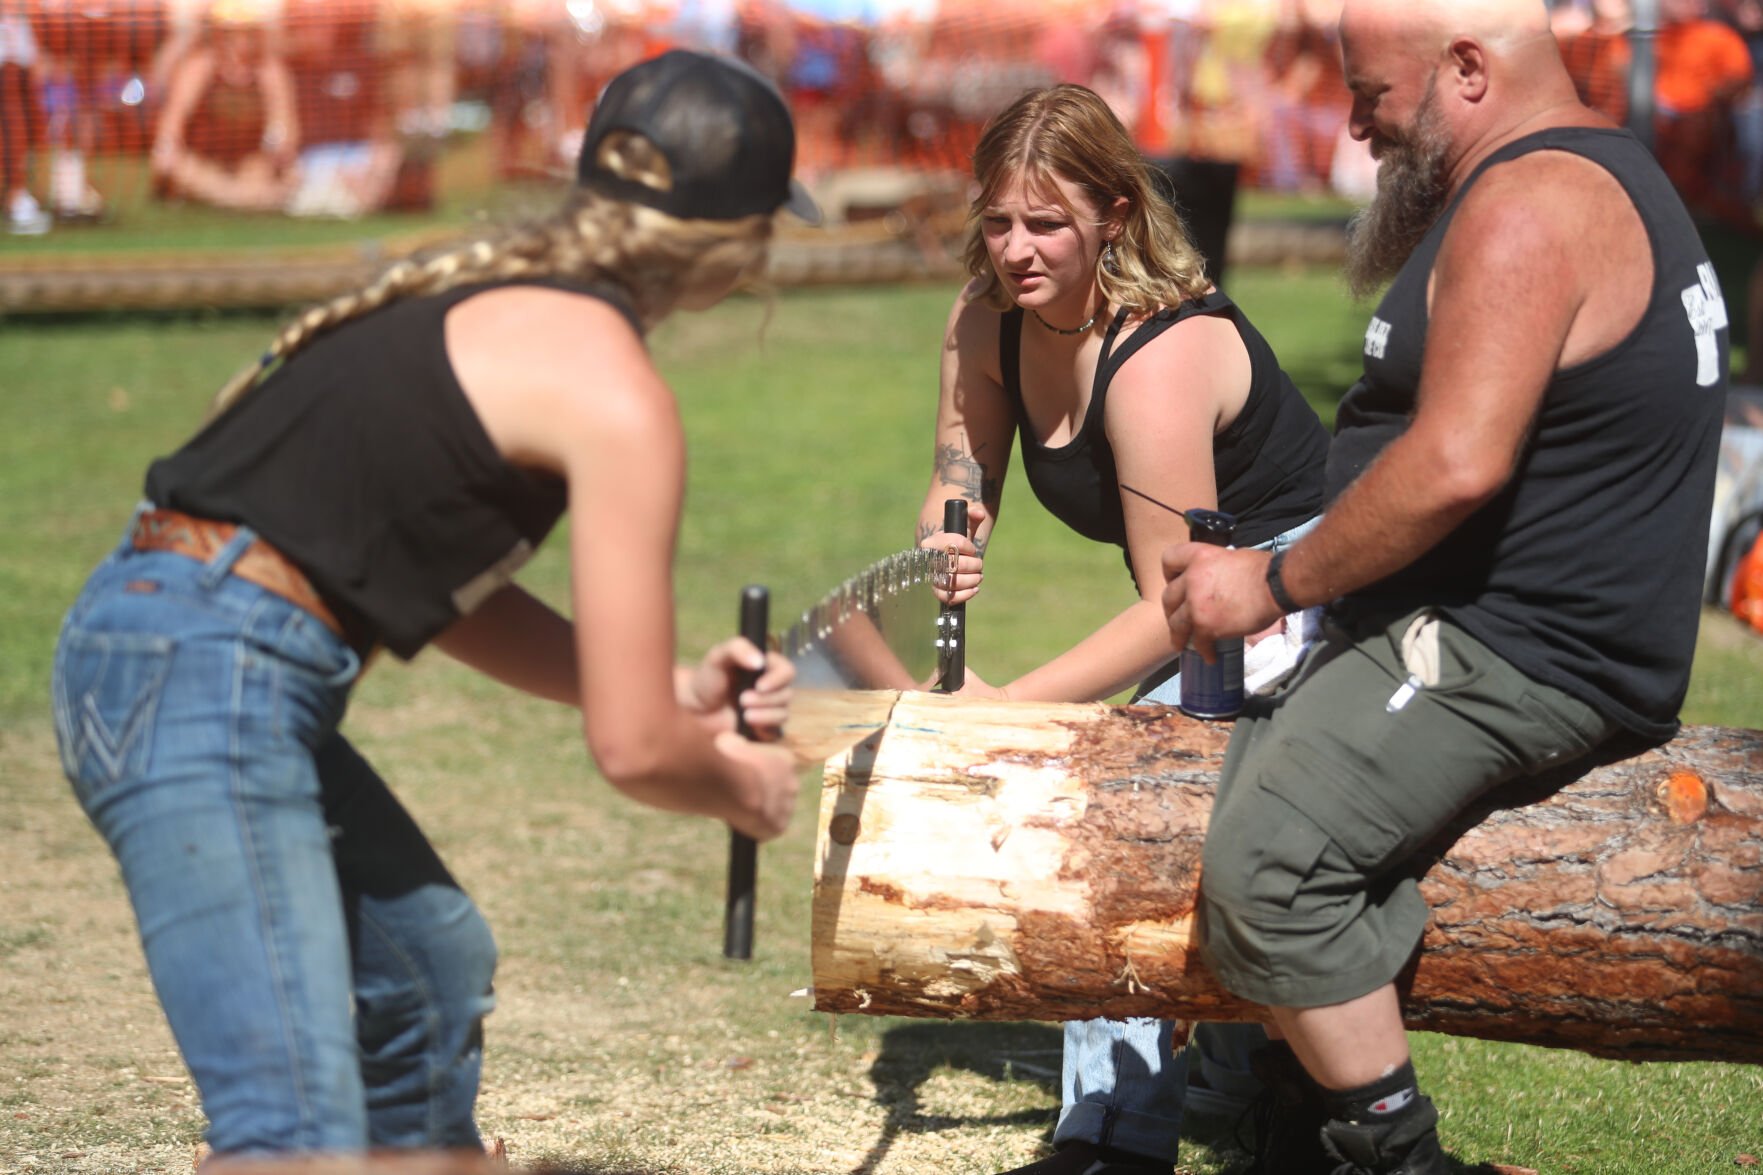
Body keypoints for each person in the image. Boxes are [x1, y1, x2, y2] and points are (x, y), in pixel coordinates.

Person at [50, 48, 816, 1162]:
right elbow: (635, 752)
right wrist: (738, 784)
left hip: (167, 636)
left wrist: (673, 689)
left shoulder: (497, 298)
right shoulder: (615, 392)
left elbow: (430, 587)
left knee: (424, 971)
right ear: (742, 244)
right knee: (290, 1130)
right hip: (208, 666)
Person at [1160, 1, 1728, 1171]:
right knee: (1238, 779)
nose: (1356, 124)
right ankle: (1289, 1127)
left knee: (1266, 866)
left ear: (1464, 69)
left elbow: (1455, 462)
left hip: (1516, 647)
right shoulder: (1579, 169)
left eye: (1369, 94)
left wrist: (1270, 582)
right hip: (1480, 622)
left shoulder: (1526, 208)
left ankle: (1396, 1158)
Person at [915, 83, 1332, 1175]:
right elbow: (960, 467)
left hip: (1307, 589)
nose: (1014, 247)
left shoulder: (1154, 358)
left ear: (1111, 211)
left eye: (1045, 222)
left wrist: (1012, 707)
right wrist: (952, 528)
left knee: (1118, 789)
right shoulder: (983, 319)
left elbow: (1174, 603)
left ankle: (1115, 1133)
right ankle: (1241, 1081)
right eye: (998, 220)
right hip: (1208, 601)